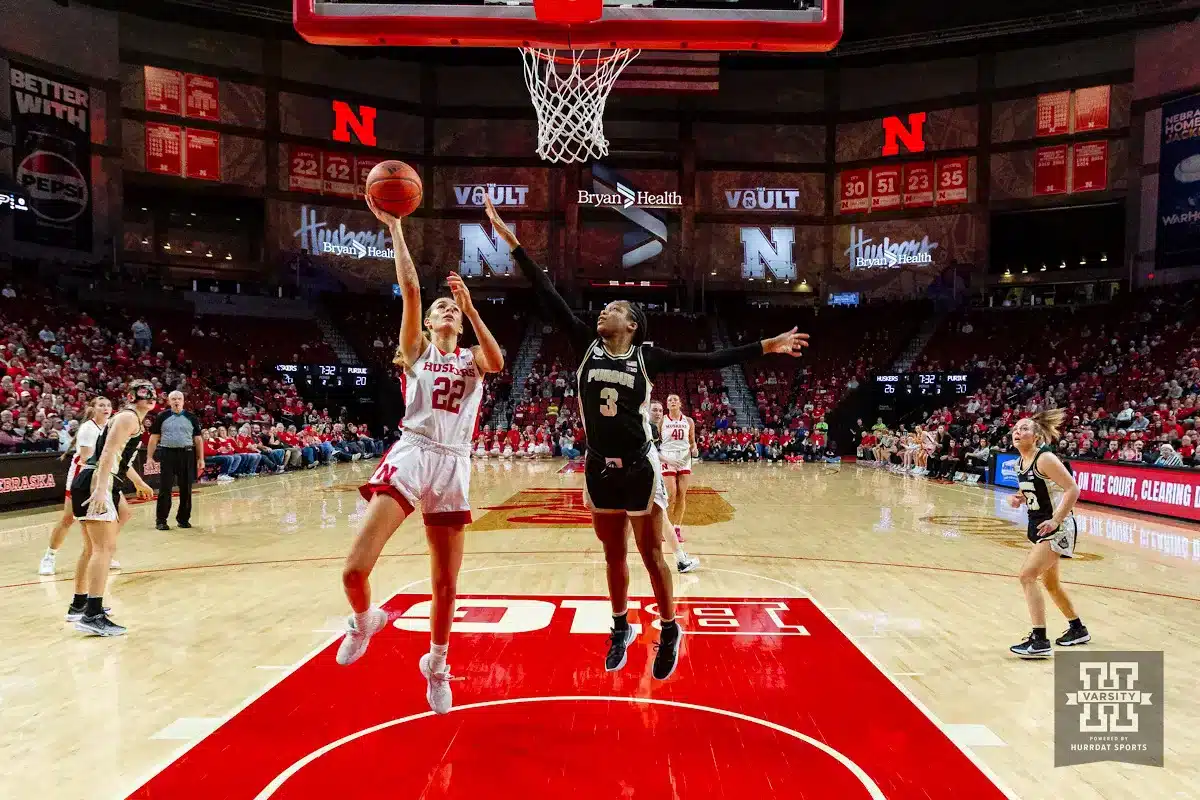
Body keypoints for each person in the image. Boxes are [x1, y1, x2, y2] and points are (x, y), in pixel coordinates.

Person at [484, 196, 807, 680]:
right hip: (597, 466)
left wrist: (767, 345)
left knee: (651, 553)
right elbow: (545, 290)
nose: (602, 313)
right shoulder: (582, 341)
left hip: (639, 466)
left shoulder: (647, 356)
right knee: (612, 553)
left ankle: (670, 627)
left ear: (631, 324)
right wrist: (512, 242)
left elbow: (707, 362)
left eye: (613, 309)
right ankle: (620, 626)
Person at [335, 198, 504, 718]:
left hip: (455, 462)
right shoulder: (418, 351)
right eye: (441, 310)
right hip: (412, 452)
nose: (446, 311)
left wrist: (472, 308)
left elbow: (496, 360)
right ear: (428, 325)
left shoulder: (473, 357)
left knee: (445, 583)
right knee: (353, 571)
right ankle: (365, 620)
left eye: (450, 308)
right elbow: (410, 287)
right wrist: (396, 227)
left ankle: (436, 663)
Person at [69, 380, 157, 635]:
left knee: (99, 544)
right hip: (97, 481)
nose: (149, 396)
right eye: (144, 392)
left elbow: (118, 458)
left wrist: (138, 482)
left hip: (105, 482)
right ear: (132, 397)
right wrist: (99, 488)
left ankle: (79, 604)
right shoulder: (128, 418)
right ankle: (92, 614)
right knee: (103, 548)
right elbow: (107, 453)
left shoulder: (131, 419)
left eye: (151, 391)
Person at [1007, 409, 1090, 658]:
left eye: (1023, 429)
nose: (1017, 432)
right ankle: (1078, 629)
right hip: (1039, 525)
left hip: (1058, 526)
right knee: (1051, 584)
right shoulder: (1020, 462)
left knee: (1027, 576)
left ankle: (1039, 639)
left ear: (1036, 436)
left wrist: (1056, 520)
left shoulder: (1045, 458)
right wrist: (1019, 498)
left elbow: (1072, 489)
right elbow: (1038, 489)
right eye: (1015, 429)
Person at [39, 398, 120, 575]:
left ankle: (101, 551)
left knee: (118, 514)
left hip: (102, 475)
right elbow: (85, 457)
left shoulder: (112, 427)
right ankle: (49, 556)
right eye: (101, 405)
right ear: (93, 409)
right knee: (69, 518)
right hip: (82, 473)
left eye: (108, 405)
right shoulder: (88, 428)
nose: (106, 408)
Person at [146, 390, 204, 531]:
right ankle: (161, 520)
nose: (176, 401)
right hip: (167, 453)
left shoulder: (191, 417)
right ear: (169, 401)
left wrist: (200, 458)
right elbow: (154, 438)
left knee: (186, 488)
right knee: (165, 488)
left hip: (187, 453)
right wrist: (149, 457)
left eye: (179, 399)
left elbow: (198, 439)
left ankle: (183, 519)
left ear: (183, 401)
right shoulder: (161, 416)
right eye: (173, 399)